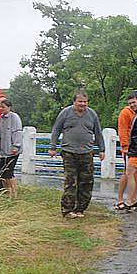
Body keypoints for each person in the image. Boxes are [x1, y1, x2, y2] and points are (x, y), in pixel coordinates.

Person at [49, 90, 106, 218]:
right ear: (74, 101)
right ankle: (67, 210)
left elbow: (98, 132)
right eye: (80, 101)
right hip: (69, 152)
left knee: (86, 181)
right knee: (71, 181)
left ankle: (80, 209)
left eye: (85, 102)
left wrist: (102, 149)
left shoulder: (92, 114)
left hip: (86, 152)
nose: (83, 104)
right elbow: (56, 130)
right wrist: (53, 147)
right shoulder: (65, 113)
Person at [114, 92, 137, 211]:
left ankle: (133, 199)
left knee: (136, 174)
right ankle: (120, 199)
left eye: (134, 102)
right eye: (131, 103)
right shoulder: (125, 113)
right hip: (129, 148)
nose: (133, 104)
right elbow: (123, 130)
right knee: (127, 173)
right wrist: (125, 146)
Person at [0, 98, 22, 197]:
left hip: (12, 150)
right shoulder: (1, 118)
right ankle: (7, 192)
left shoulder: (14, 117)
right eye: (0, 107)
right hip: (2, 150)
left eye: (3, 107)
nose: (1, 108)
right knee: (2, 173)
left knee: (9, 172)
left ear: (9, 107)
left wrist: (16, 146)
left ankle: (14, 193)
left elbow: (18, 132)